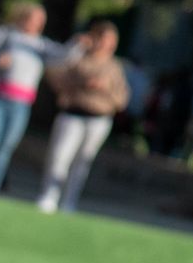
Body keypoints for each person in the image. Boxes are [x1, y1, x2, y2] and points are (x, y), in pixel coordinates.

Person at [0, 2, 86, 196]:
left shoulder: (41, 45)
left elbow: (63, 56)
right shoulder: (5, 36)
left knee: (5, 148)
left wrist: (77, 45)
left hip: (22, 102)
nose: (36, 24)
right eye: (33, 19)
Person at [36, 20, 130, 213]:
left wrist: (104, 88)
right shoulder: (77, 59)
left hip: (98, 118)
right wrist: (75, 48)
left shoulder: (114, 67)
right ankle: (49, 196)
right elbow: (54, 76)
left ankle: (69, 201)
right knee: (60, 156)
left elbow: (121, 100)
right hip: (73, 113)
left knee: (82, 162)